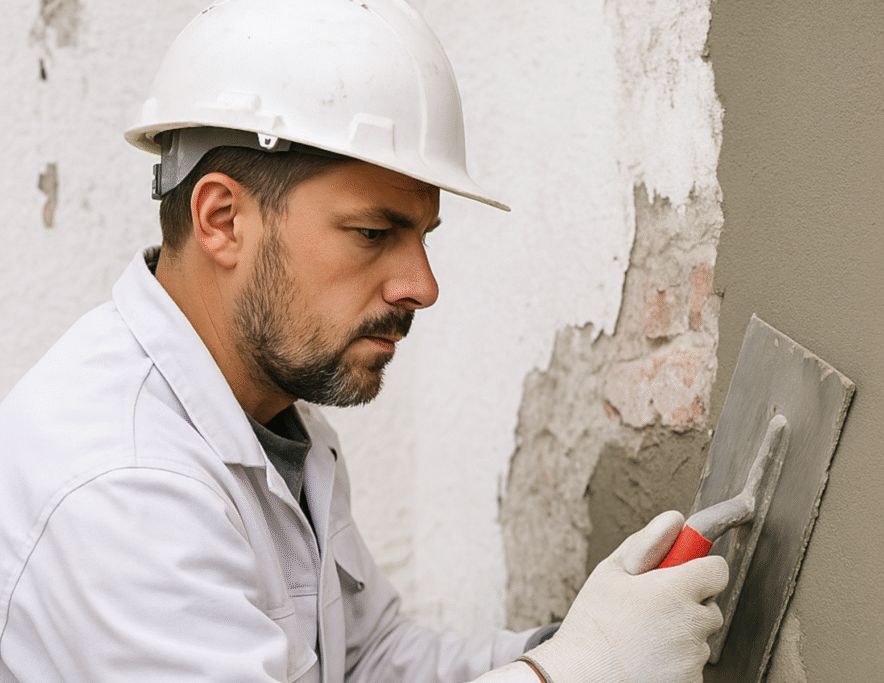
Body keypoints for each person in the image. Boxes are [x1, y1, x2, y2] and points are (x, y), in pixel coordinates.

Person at [0, 0, 729, 681]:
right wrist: (574, 671)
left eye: (422, 235)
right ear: (222, 219)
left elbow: (370, 657)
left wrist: (574, 642)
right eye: (374, 233)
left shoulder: (273, 415)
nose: (422, 284)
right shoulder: (121, 488)